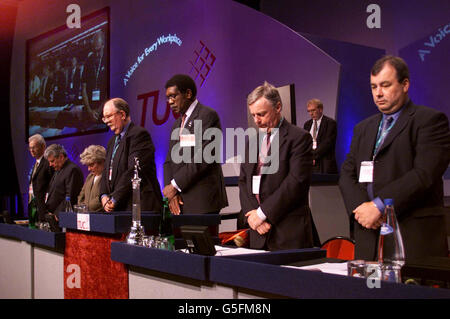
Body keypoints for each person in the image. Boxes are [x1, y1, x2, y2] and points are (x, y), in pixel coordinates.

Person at [339, 55, 450, 261]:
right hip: (369, 233)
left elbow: (424, 174)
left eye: (385, 85)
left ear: (405, 84)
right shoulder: (363, 128)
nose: (378, 93)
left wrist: (379, 206)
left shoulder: (430, 121)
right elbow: (347, 173)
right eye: (373, 87)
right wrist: (361, 209)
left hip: (411, 236)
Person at [239, 81, 315, 250]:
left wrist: (262, 214)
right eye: (253, 115)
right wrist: (254, 218)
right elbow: (244, 182)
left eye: (261, 114)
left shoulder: (299, 138)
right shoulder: (252, 142)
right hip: (257, 233)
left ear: (278, 107)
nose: (256, 120)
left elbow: (295, 182)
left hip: (287, 232)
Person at [162, 74, 228, 215]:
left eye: (173, 96)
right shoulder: (176, 124)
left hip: (202, 200)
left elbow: (204, 158)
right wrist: (171, 191)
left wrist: (175, 185)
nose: (170, 101)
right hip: (179, 200)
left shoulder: (207, 116)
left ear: (188, 94)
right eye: (168, 98)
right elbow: (169, 160)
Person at [100, 97, 162, 212]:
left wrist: (114, 199)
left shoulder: (139, 135)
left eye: (109, 116)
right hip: (118, 208)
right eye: (104, 118)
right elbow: (106, 171)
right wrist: (103, 195)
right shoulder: (112, 141)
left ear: (122, 114)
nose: (106, 121)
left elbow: (134, 170)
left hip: (138, 207)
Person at [44, 144, 84, 220]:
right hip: (53, 216)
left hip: (62, 217)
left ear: (61, 157)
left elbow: (70, 196)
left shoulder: (72, 170)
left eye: (52, 161)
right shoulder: (58, 170)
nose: (50, 165)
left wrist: (58, 214)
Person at [303, 98, 338, 174]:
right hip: (310, 163)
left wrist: (313, 156)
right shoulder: (307, 124)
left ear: (321, 109)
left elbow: (327, 143)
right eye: (309, 111)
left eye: (313, 110)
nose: (311, 113)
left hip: (324, 163)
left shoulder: (330, 123)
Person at [81, 30, 107, 121]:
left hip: (105, 110)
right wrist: (89, 110)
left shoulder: (108, 59)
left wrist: (99, 111)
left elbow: (110, 90)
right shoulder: (89, 61)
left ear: (103, 45)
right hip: (89, 110)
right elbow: (83, 87)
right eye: (94, 50)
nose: (96, 54)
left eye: (98, 51)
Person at [28, 134, 53, 223]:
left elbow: (53, 185)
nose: (31, 150)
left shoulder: (48, 163)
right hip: (36, 208)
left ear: (43, 146)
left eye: (34, 147)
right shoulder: (36, 164)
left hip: (46, 208)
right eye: (30, 148)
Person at [78, 145, 106, 212]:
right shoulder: (90, 177)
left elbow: (101, 198)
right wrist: (82, 207)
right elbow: (81, 195)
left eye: (91, 165)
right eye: (88, 165)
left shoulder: (107, 177)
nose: (89, 169)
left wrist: (86, 208)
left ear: (102, 162)